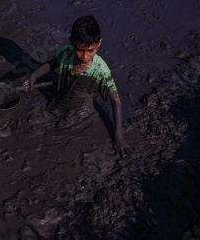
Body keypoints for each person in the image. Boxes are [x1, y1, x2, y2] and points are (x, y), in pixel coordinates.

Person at [25, 15, 129, 155]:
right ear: (72, 42)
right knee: (38, 119)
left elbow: (116, 100)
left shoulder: (100, 71)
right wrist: (34, 75)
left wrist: (119, 134)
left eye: (90, 51)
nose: (84, 56)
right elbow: (51, 64)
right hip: (60, 100)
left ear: (99, 43)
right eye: (80, 50)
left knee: (59, 130)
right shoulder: (65, 53)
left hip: (81, 109)